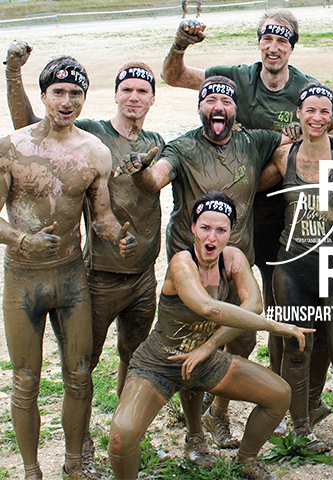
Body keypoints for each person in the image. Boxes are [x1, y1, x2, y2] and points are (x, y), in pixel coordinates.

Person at [160, 9, 326, 440]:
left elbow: (319, 136)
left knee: (273, 312)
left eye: (283, 40)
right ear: (259, 42)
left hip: (277, 218)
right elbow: (174, 76)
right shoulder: (233, 79)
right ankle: (208, 408)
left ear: (292, 46)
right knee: (209, 314)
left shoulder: (304, 87)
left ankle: (286, 399)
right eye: (268, 38)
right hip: (225, 222)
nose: (274, 47)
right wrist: (180, 43)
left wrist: (251, 186)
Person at [5, 42, 165, 477]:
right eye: (58, 92)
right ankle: (32, 470)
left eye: (75, 94)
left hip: (72, 276)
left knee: (79, 375)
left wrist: (118, 235)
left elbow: (102, 215)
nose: (66, 101)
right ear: (44, 95)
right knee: (26, 380)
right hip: (24, 278)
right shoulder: (13, 147)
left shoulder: (94, 150)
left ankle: (75, 463)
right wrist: (21, 239)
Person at [116, 75, 287, 466]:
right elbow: (154, 180)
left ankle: (218, 413)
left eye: (226, 101)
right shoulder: (184, 147)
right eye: (210, 100)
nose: (218, 107)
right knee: (190, 339)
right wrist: (140, 170)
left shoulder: (254, 141)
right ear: (199, 108)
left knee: (240, 340)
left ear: (235, 111)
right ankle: (195, 433)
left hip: (235, 261)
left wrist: (325, 135)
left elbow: (298, 145)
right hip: (191, 265)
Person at [107, 190, 311, 480]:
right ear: (193, 228)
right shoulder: (182, 263)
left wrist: (209, 346)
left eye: (220, 230)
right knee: (121, 438)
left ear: (231, 232)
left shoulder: (234, 258)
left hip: (205, 361)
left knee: (279, 395)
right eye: (205, 228)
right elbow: (208, 308)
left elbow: (253, 304)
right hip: (159, 364)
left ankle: (246, 460)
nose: (211, 237)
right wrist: (274, 326)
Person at [257, 83, 333, 455]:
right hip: (293, 266)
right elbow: (252, 188)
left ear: (332, 116)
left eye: (324, 111)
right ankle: (301, 428)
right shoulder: (284, 156)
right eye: (310, 111)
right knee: (297, 349)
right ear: (298, 114)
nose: (317, 118)